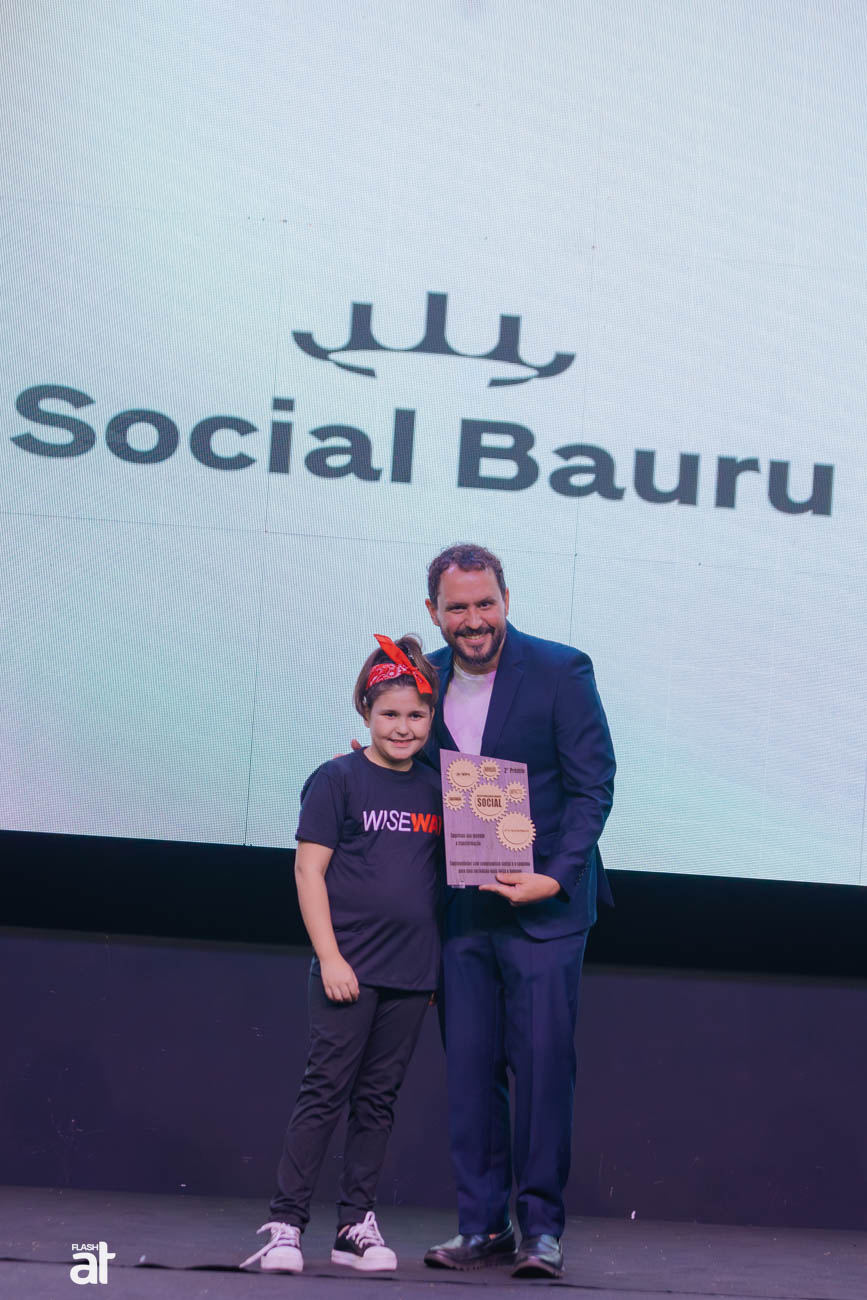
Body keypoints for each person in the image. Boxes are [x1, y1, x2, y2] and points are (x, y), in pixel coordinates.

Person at [421, 544, 615, 1280]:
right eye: (457, 607)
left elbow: (592, 785)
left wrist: (555, 879)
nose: (473, 620)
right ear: (434, 612)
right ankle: (482, 1227)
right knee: (471, 1071)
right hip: (463, 908)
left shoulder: (561, 670)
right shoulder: (422, 677)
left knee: (540, 1071)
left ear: (507, 600)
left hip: (543, 910)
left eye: (485, 603)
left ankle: (541, 1231)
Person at [241, 635, 442, 1275]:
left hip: (412, 972)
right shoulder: (337, 779)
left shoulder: (441, 789)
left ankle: (354, 1224)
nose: (404, 727)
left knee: (378, 1101)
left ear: (431, 718)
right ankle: (286, 1224)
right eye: (390, 714)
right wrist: (330, 957)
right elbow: (308, 872)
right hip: (348, 968)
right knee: (325, 1091)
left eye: (416, 715)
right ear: (365, 711)